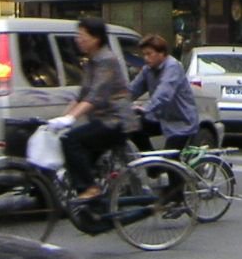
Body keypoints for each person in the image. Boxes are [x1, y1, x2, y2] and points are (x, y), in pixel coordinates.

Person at [58, 18, 135, 199]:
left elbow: (95, 96)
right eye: (78, 35)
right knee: (81, 160)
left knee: (71, 140)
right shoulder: (91, 61)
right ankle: (95, 207)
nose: (78, 39)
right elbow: (81, 96)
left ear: (96, 38)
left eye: (82, 36)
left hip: (116, 121)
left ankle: (90, 189)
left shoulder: (106, 60)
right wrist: (60, 119)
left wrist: (70, 119)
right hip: (102, 120)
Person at [128, 34, 199, 152]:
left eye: (149, 54)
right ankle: (151, 162)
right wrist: (115, 103)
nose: (146, 58)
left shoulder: (173, 67)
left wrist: (145, 108)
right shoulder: (148, 69)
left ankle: (160, 166)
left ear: (161, 53)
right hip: (159, 118)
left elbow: (163, 94)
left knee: (170, 162)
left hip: (180, 122)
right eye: (144, 54)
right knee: (132, 126)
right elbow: (133, 89)